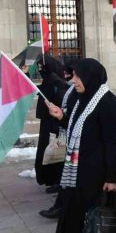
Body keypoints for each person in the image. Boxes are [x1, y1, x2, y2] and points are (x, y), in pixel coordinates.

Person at [46, 58, 116, 233]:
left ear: (90, 76)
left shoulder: (107, 103)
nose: (73, 80)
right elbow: (79, 129)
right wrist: (62, 117)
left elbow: (113, 143)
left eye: (77, 76)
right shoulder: (80, 99)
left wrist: (112, 177)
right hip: (78, 174)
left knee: (96, 224)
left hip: (98, 176)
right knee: (76, 219)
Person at [34, 54, 69, 195]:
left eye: (43, 67)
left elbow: (62, 98)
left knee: (57, 153)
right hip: (47, 122)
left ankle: (59, 180)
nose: (41, 70)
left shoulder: (58, 82)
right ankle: (52, 179)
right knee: (47, 152)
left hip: (57, 123)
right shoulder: (48, 81)